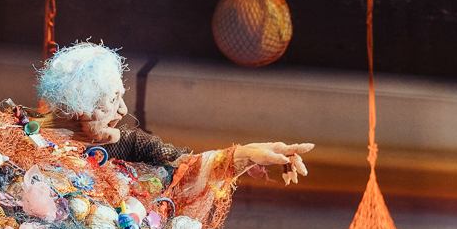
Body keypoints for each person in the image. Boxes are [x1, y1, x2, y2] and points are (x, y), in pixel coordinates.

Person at [35, 41, 314, 183]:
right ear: (76, 107)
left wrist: (244, 155)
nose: (123, 110)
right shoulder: (26, 139)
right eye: (112, 99)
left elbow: (186, 168)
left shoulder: (132, 144)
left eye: (123, 96)